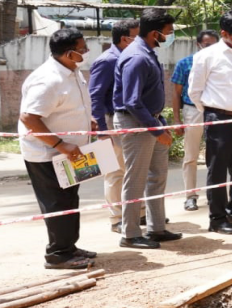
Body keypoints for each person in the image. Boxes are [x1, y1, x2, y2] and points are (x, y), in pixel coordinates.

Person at [18, 28, 97, 269]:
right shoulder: (47, 79)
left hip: (73, 152)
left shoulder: (72, 71)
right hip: (48, 153)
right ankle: (57, 254)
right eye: (82, 49)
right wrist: (60, 144)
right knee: (57, 203)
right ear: (69, 53)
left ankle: (68, 246)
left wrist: (88, 121)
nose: (86, 52)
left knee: (70, 198)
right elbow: (29, 117)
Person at [113, 8, 182, 249]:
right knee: (136, 179)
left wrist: (161, 123)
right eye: (169, 32)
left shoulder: (147, 52)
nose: (170, 36)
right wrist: (156, 130)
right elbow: (132, 102)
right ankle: (130, 234)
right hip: (137, 123)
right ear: (155, 33)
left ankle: (156, 228)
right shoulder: (137, 57)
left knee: (157, 176)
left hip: (151, 120)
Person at [188, 11, 232, 235]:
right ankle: (217, 218)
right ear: (224, 33)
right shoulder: (207, 56)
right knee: (217, 169)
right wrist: (213, 112)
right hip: (219, 118)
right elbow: (195, 92)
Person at [89, 19, 141, 234]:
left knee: (136, 170)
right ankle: (117, 218)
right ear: (124, 38)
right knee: (115, 172)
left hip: (132, 121)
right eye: (136, 36)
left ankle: (138, 213)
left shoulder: (134, 57)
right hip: (111, 121)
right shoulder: (108, 60)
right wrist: (102, 130)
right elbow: (95, 96)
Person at [172, 29, 219, 211]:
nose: (211, 49)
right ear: (198, 44)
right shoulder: (185, 64)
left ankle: (213, 195)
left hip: (216, 111)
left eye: (214, 45)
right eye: (207, 45)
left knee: (216, 155)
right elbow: (176, 94)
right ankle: (190, 196)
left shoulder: (221, 64)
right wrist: (177, 120)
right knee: (191, 156)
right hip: (192, 111)